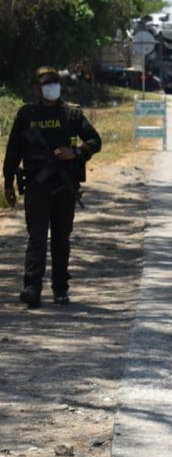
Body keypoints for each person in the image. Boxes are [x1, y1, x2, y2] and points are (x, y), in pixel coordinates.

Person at [3, 66, 101, 308]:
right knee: (36, 239)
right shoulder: (26, 115)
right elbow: (13, 151)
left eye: (55, 82)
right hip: (37, 188)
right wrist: (8, 182)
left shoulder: (72, 115)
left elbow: (95, 141)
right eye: (46, 83)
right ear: (36, 88)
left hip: (64, 188)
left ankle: (60, 288)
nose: (51, 86)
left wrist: (76, 152)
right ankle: (32, 287)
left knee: (61, 239)